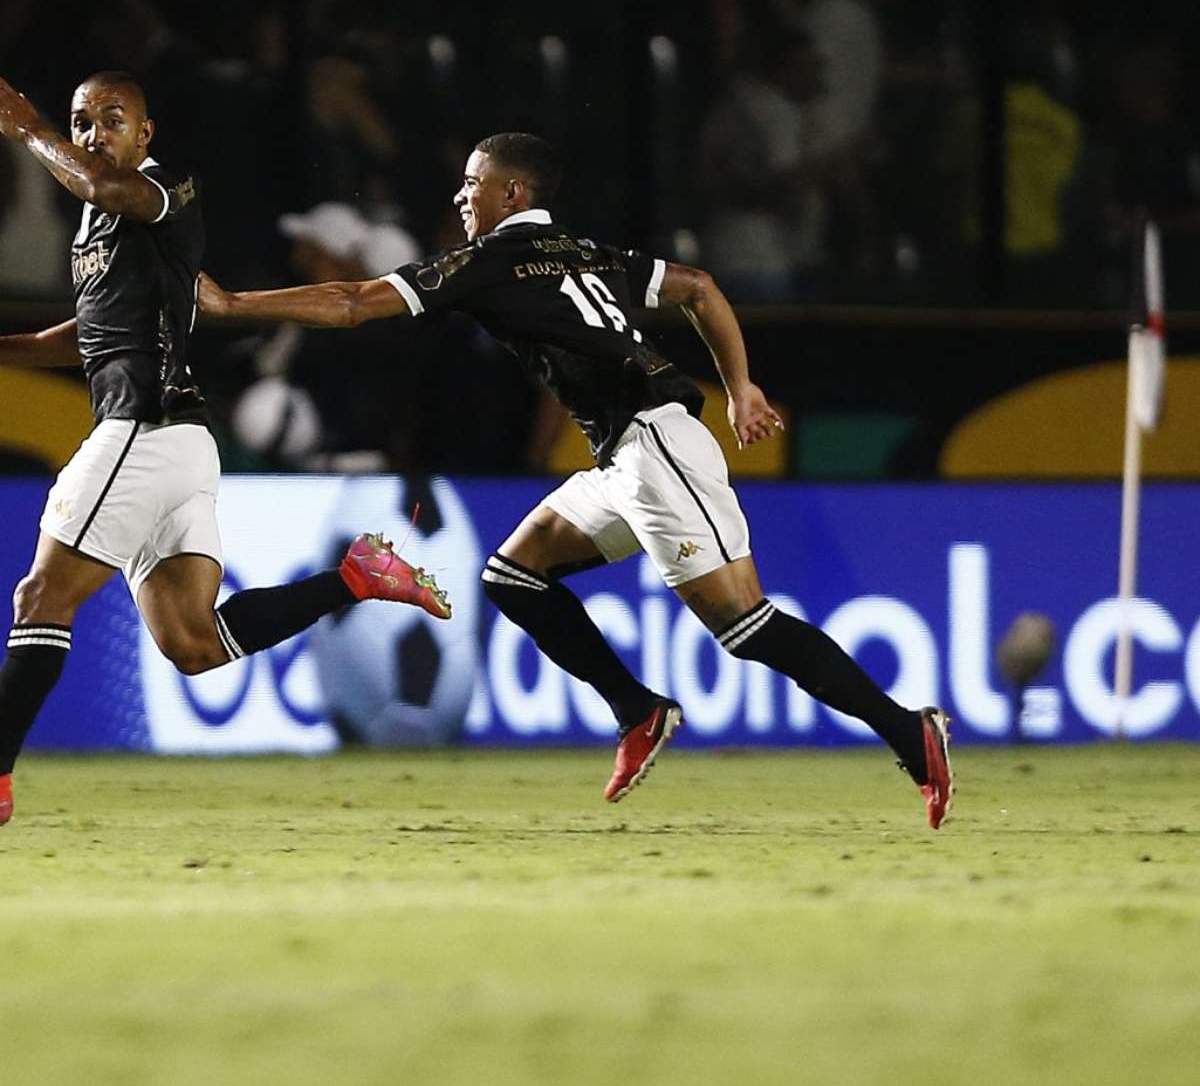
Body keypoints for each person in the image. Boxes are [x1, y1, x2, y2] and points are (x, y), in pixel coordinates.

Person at [199, 131, 955, 826]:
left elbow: (354, 301)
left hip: (657, 450)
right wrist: (741, 387)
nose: (462, 197)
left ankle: (908, 733)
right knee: (512, 576)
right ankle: (637, 710)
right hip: (626, 455)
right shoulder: (590, 252)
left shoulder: (487, 263)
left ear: (514, 194)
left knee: (743, 624)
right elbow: (697, 286)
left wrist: (234, 304)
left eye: (474, 183)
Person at [0, 70, 451, 827]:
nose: (92, 132)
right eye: (80, 122)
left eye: (112, 119)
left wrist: (29, 128)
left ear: (144, 134)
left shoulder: (159, 190)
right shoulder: (101, 223)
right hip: (179, 444)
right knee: (194, 644)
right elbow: (84, 338)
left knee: (40, 599)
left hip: (140, 432)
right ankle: (357, 578)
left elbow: (106, 190)